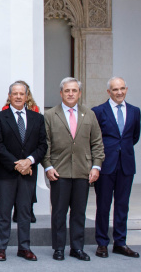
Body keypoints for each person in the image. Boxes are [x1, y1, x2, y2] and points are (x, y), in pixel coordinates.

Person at [42, 77, 104, 262]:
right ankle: (59, 248)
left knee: (79, 213)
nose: (70, 94)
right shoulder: (50, 115)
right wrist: (48, 167)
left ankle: (77, 248)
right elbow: (45, 144)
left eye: (74, 90)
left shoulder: (89, 115)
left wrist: (96, 166)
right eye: (67, 91)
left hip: (83, 171)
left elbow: (97, 144)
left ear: (79, 93)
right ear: (61, 93)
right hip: (58, 171)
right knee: (59, 213)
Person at [0, 81, 47, 262]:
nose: (17, 97)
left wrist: (29, 161)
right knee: (4, 213)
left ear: (27, 96)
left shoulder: (37, 118)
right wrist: (17, 164)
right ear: (9, 96)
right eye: (14, 93)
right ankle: (1, 248)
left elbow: (42, 145)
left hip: (28, 173)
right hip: (7, 173)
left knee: (24, 213)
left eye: (21, 94)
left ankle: (24, 248)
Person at [91, 77, 141, 259]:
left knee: (122, 206)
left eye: (122, 89)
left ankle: (120, 242)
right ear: (108, 92)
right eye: (115, 89)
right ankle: (102, 243)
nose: (119, 92)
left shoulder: (135, 111)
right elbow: (94, 138)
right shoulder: (98, 111)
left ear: (126, 89)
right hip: (106, 165)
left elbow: (134, 137)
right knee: (103, 205)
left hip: (126, 165)